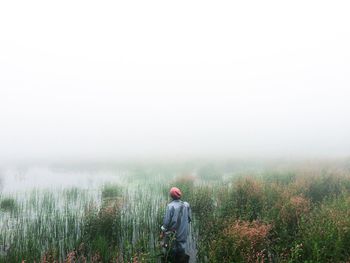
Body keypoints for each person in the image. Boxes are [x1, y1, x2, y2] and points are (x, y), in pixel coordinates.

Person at [161, 187, 192, 263]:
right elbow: (189, 219)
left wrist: (162, 232)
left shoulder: (170, 206)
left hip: (173, 232)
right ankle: (182, 259)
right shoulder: (186, 205)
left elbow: (166, 222)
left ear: (171, 196)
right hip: (184, 231)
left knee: (173, 248)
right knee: (182, 247)